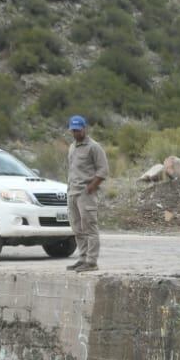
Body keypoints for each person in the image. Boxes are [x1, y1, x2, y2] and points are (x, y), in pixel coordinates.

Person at [65, 115, 108, 271]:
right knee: (77, 228)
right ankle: (82, 258)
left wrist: (91, 187)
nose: (76, 133)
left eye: (78, 130)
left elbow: (103, 170)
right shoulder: (72, 147)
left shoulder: (94, 147)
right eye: (73, 130)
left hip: (85, 193)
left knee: (89, 227)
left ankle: (91, 262)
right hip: (72, 193)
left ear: (84, 128)